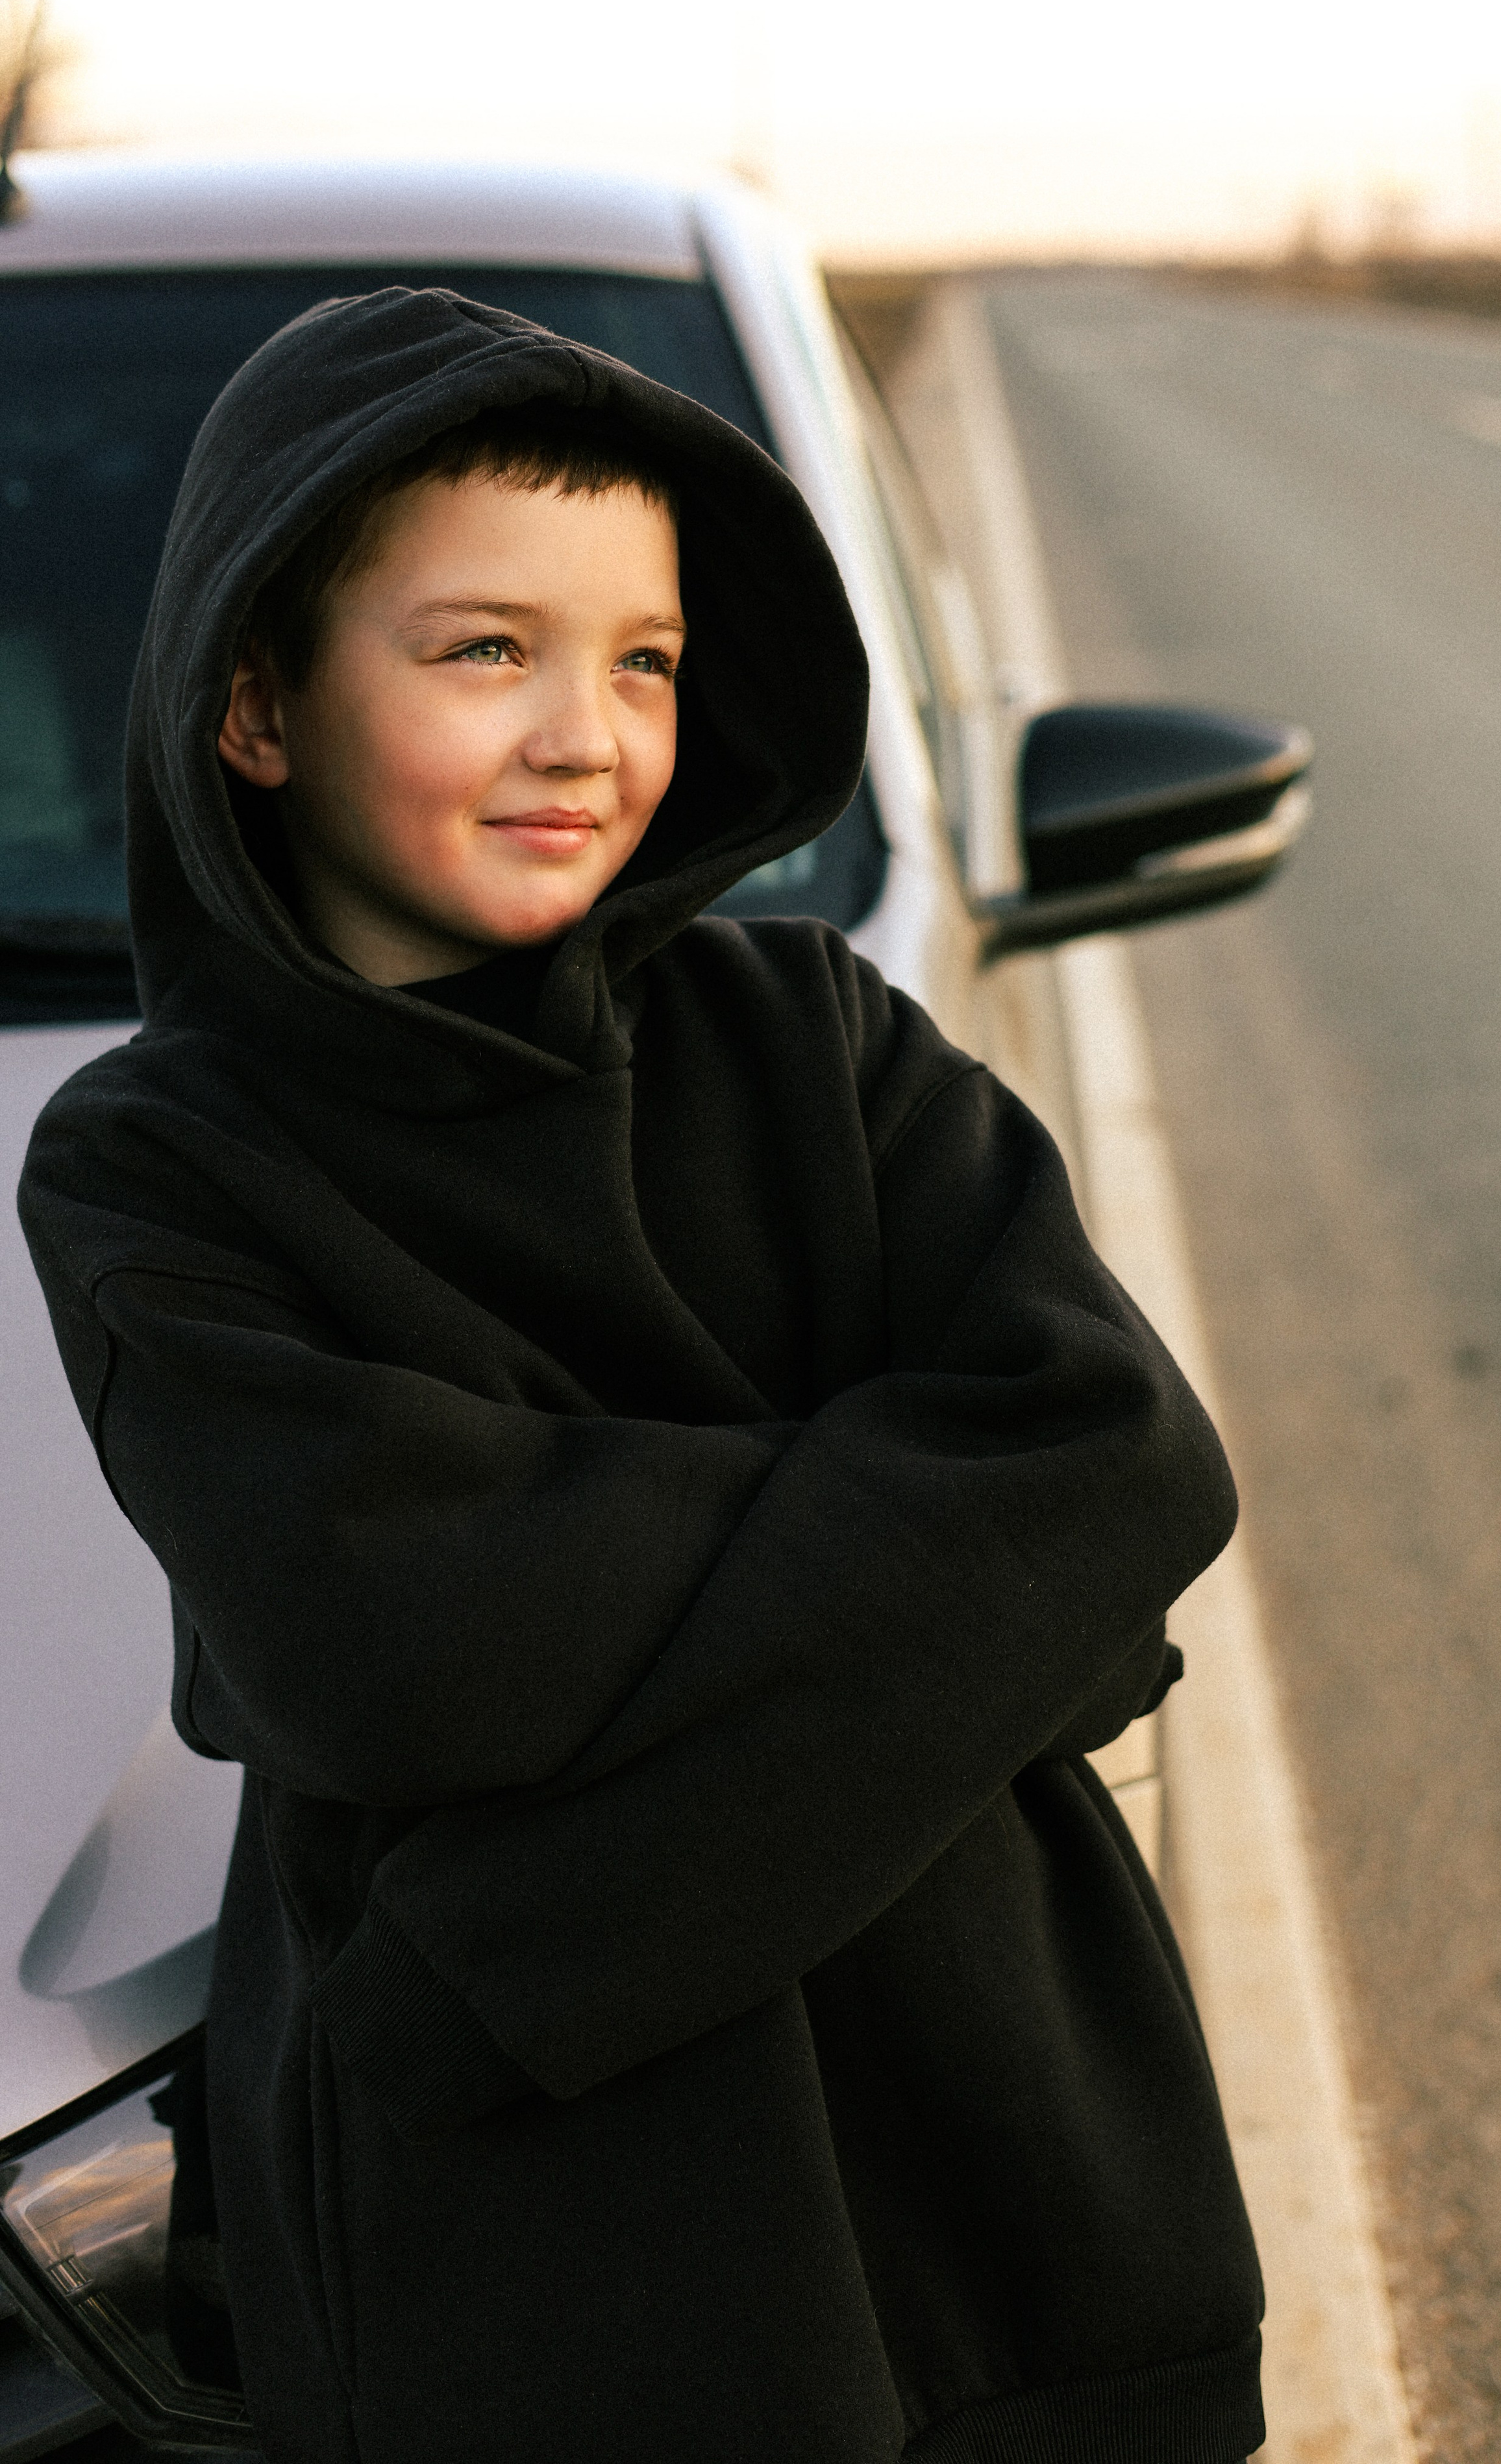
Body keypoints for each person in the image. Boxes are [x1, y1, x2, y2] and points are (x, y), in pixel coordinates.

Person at [20, 287, 1265, 2464]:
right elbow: (393, 1651)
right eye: (484, 649)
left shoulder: (819, 1041)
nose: (585, 734)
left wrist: (505, 1959)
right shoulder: (160, 1165)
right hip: (557, 2277)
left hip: (1019, 2200)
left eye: (648, 661)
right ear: (253, 706)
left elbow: (1116, 1472)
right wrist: (940, 1580)